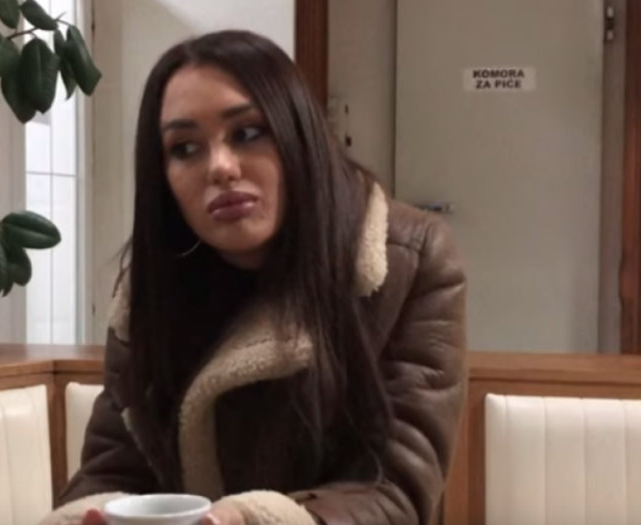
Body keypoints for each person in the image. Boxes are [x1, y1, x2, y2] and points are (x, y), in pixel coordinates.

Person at [39, 29, 467, 525]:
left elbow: (397, 490)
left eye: (247, 133)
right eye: (185, 148)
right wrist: (93, 517)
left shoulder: (408, 261)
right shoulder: (146, 293)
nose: (220, 168)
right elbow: (112, 470)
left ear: (298, 134)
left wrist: (259, 519)